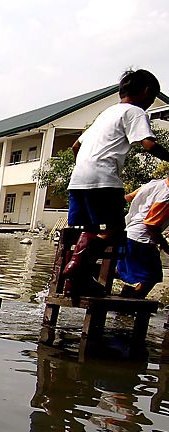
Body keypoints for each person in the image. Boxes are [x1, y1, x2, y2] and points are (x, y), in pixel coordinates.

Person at [62, 69, 169, 296]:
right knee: (117, 230)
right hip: (104, 178)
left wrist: (86, 167)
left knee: (89, 229)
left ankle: (76, 281)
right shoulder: (135, 112)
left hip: (79, 179)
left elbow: (75, 146)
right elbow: (149, 144)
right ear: (147, 92)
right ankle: (76, 267)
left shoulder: (106, 113)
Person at [116, 178, 169, 298]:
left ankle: (127, 297)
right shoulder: (167, 196)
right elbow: (151, 225)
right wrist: (165, 246)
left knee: (123, 271)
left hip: (128, 233)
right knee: (152, 276)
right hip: (142, 239)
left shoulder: (153, 184)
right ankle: (131, 301)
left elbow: (127, 197)